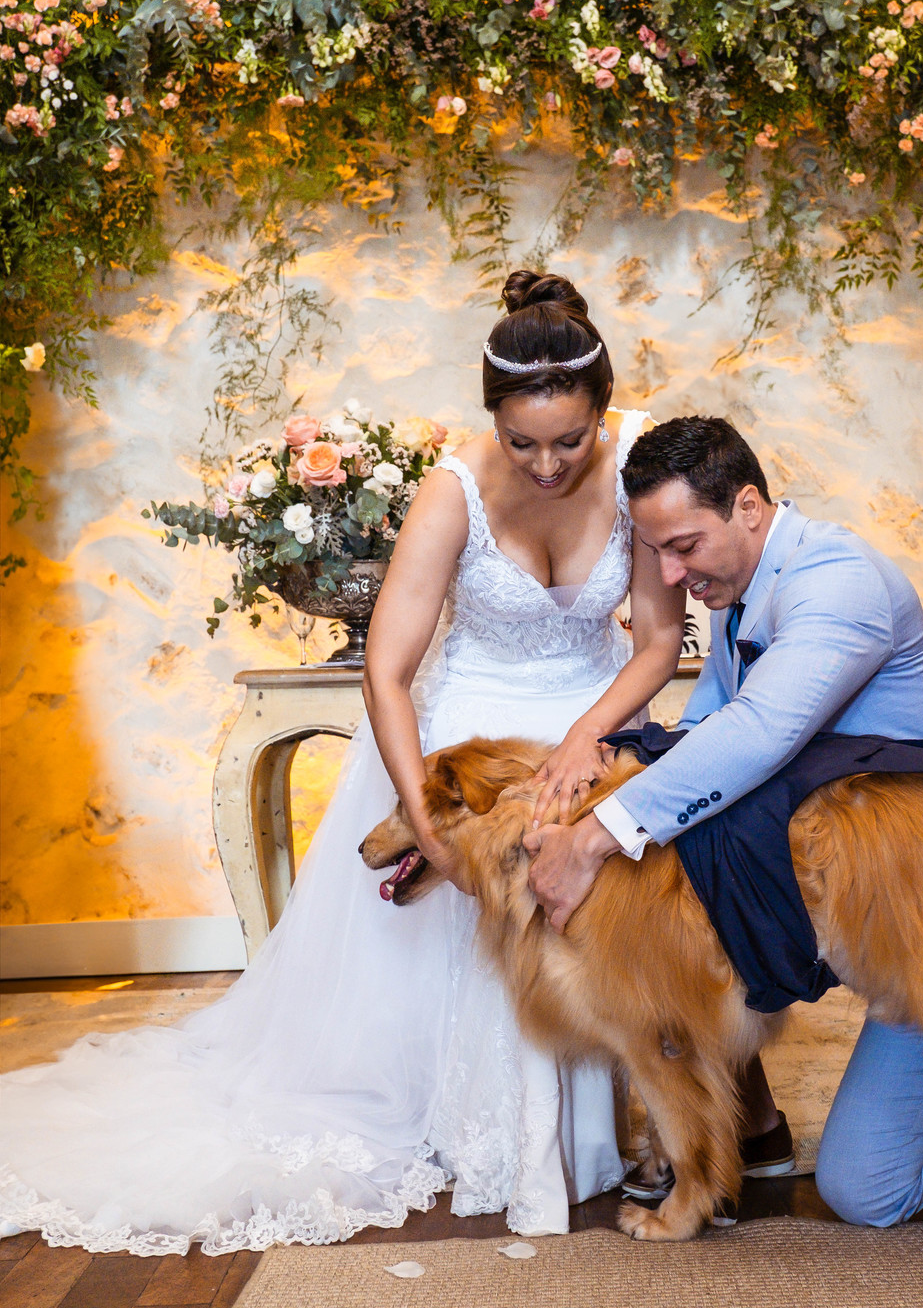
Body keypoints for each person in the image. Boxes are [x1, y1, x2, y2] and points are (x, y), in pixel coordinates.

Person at [0, 271, 685, 1255]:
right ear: (491, 418)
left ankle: (630, 1128)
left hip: (593, 722)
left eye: (569, 442)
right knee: (465, 948)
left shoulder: (640, 469)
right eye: (520, 441)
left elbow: (656, 643)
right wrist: (431, 825)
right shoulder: (452, 492)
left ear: (603, 413)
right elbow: (388, 670)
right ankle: (472, 1129)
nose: (545, 464)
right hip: (468, 738)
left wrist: (587, 739)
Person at [527, 414, 923, 1226]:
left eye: (684, 546)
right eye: (656, 552)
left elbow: (761, 732)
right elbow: (706, 729)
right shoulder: (740, 589)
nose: (670, 573)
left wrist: (593, 837)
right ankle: (746, 1132)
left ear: (749, 507)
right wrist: (594, 769)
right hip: (856, 909)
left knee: (865, 1193)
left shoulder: (839, 583)